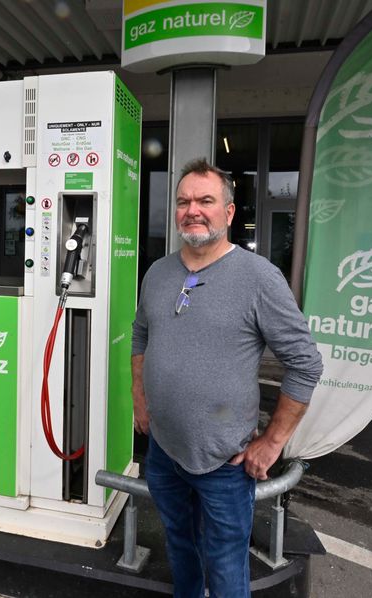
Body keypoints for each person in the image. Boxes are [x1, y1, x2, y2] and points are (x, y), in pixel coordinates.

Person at [131, 158, 323, 597]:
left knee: (224, 563)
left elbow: (305, 362)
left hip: (224, 462)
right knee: (179, 546)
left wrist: (272, 442)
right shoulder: (159, 273)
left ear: (229, 212)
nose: (192, 210)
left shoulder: (259, 278)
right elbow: (141, 334)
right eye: (183, 201)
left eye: (205, 200)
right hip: (164, 450)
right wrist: (139, 397)